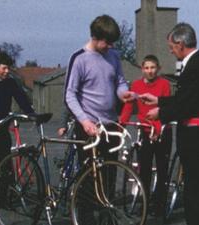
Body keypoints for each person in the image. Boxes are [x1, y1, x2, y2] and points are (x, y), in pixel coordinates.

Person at [140, 23, 199, 225]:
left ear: (180, 43)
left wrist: (161, 112)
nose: (170, 50)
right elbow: (187, 97)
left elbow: (187, 104)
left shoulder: (196, 66)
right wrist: (159, 100)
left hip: (198, 139)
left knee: (196, 194)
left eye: (171, 46)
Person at [64, 14, 135, 224]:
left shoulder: (113, 55)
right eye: (107, 42)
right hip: (88, 128)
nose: (110, 46)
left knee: (110, 179)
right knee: (88, 182)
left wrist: (123, 93)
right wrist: (84, 121)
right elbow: (69, 94)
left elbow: (120, 81)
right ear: (95, 37)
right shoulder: (79, 58)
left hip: (110, 126)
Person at [0, 51, 35, 209]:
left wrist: (31, 114)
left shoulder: (10, 83)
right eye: (4, 68)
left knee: (6, 166)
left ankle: (3, 197)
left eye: (8, 68)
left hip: (2, 130)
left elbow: (21, 98)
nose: (7, 71)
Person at [119, 54, 172, 217]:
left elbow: (166, 109)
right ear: (142, 69)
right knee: (144, 170)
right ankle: (145, 204)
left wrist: (157, 128)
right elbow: (128, 107)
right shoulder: (135, 85)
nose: (150, 71)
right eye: (146, 68)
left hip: (162, 130)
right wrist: (121, 124)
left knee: (162, 170)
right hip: (145, 131)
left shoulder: (164, 84)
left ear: (158, 69)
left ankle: (160, 206)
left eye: (153, 67)